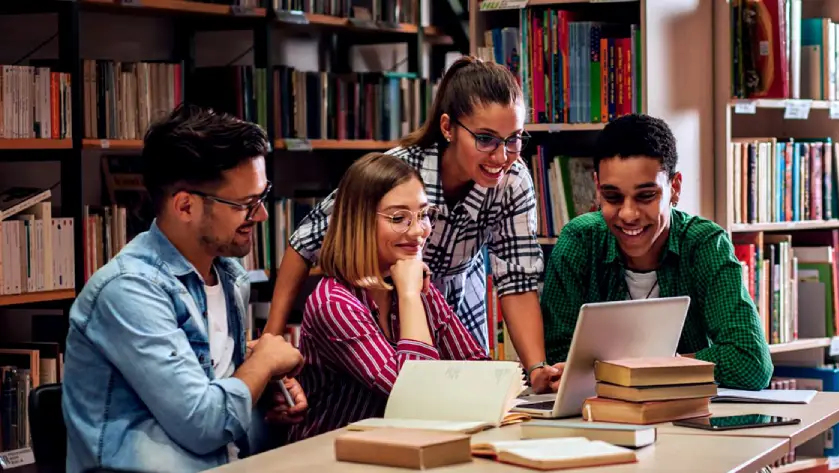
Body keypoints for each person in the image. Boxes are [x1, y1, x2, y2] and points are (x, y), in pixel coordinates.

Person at [266, 55, 560, 393]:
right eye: (485, 139)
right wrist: (273, 347)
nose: (501, 156)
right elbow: (304, 243)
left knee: (470, 394)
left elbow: (516, 281)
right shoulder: (398, 173)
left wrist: (536, 369)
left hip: (444, 301)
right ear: (448, 128)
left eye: (514, 139)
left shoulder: (514, 177)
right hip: (385, 302)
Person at [62, 104, 307, 473]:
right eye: (245, 204)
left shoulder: (229, 274)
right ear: (185, 206)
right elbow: (204, 424)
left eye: (262, 197)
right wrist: (264, 362)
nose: (262, 215)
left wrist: (263, 391)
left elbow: (218, 393)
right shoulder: (128, 291)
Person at [540, 113, 774, 391]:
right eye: (612, 197)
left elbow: (751, 363)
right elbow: (557, 360)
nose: (628, 214)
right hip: (598, 418)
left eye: (646, 196)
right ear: (597, 187)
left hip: (690, 419)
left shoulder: (705, 244)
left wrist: (638, 370)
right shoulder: (579, 240)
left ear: (674, 188)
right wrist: (676, 367)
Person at [289, 152, 489, 440]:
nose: (419, 230)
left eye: (423, 215)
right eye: (399, 218)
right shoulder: (334, 303)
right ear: (359, 221)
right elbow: (414, 398)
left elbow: (476, 367)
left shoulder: (408, 278)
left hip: (399, 447)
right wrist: (410, 296)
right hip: (332, 457)